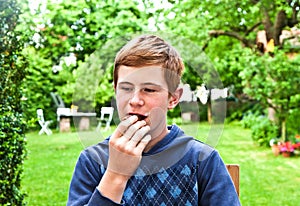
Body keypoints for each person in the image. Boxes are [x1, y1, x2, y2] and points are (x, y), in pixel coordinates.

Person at [67, 34, 240, 205]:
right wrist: (115, 175)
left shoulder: (202, 160)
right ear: (115, 90)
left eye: (149, 89)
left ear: (173, 98)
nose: (135, 100)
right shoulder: (92, 161)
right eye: (126, 88)